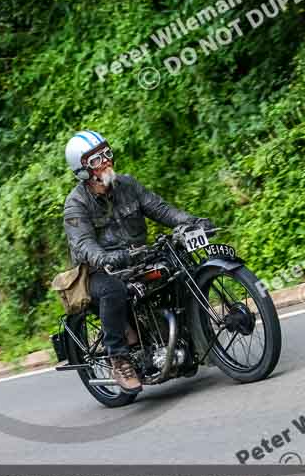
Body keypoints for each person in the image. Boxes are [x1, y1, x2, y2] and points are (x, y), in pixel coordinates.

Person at [62, 130, 214, 394]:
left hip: (137, 258)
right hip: (101, 271)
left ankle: (186, 336)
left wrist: (191, 222)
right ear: (83, 170)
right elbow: (84, 245)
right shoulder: (76, 204)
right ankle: (119, 359)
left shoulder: (128, 185)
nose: (107, 161)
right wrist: (106, 258)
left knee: (177, 266)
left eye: (107, 154)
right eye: (97, 160)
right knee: (113, 290)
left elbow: (161, 209)